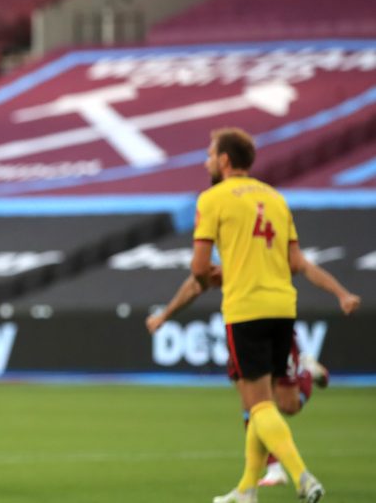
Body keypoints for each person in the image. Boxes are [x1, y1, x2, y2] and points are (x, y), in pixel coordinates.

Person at [190, 128, 360, 503]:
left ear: (224, 160)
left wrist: (212, 276)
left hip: (245, 308)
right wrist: (341, 293)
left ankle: (302, 478)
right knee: (281, 404)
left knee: (257, 405)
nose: (205, 161)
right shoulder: (276, 198)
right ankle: (246, 491)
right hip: (283, 307)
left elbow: (200, 266)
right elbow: (297, 262)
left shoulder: (212, 198)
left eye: (209, 154)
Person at [146, 271, 336, 487]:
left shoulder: (266, 246)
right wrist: (164, 315)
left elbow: (301, 264)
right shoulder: (232, 250)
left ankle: (308, 372)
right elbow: (197, 281)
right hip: (242, 327)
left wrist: (341, 293)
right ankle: (271, 471)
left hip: (275, 323)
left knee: (288, 405)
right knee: (253, 401)